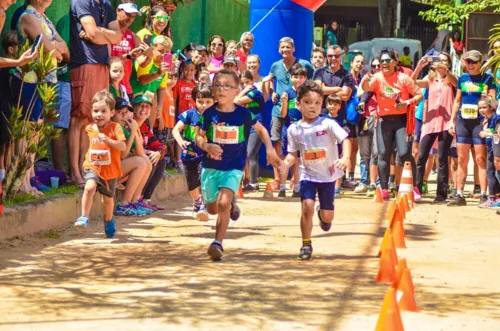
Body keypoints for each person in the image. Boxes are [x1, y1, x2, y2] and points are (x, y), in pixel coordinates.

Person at [195, 69, 281, 261]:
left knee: (223, 203)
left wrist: (269, 149)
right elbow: (198, 135)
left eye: (227, 86)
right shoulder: (208, 114)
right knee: (212, 209)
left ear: (237, 90)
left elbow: (262, 131)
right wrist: (206, 145)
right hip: (211, 167)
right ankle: (230, 202)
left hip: (234, 167)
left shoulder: (244, 114)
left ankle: (217, 243)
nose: (221, 89)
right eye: (217, 85)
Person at [281, 81, 351, 260]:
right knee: (306, 207)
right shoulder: (294, 129)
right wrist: (284, 163)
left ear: (322, 104)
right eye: (307, 102)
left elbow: (346, 139)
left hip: (328, 176)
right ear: (298, 104)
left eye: (317, 103)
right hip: (307, 176)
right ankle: (306, 244)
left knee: (327, 218)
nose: (312, 107)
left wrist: (345, 158)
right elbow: (292, 155)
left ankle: (323, 213)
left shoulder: (327, 123)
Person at [14, 0, 70, 194]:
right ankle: (21, 182)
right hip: (29, 79)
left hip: (45, 79)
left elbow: (64, 49)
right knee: (27, 131)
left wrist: (55, 47)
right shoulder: (28, 16)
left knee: (36, 133)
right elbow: (49, 49)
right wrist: (55, 47)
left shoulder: (44, 17)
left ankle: (30, 179)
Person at [68, 0, 122, 186]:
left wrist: (101, 33)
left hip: (102, 65)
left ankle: (86, 169)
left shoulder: (106, 4)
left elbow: (118, 37)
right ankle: (75, 173)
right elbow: (93, 33)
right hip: (85, 63)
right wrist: (105, 34)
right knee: (80, 119)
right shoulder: (81, 1)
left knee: (93, 120)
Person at [360, 47, 423, 200]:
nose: (384, 64)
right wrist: (365, 79)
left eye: (388, 60)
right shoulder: (377, 77)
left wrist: (406, 103)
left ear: (395, 62)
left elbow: (419, 94)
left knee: (404, 153)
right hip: (384, 121)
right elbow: (366, 88)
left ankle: (413, 188)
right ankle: (384, 188)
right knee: (383, 154)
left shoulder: (404, 78)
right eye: (382, 61)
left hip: (401, 120)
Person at [74, 90, 126, 238]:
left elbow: (122, 146)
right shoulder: (90, 128)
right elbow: (87, 147)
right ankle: (84, 216)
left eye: (103, 111)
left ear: (112, 112)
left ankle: (109, 220)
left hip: (110, 170)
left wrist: (109, 141)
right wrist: (84, 163)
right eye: (96, 111)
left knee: (108, 200)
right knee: (89, 188)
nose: (99, 114)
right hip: (93, 166)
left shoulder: (115, 127)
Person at [448, 50, 497, 206]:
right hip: (463, 122)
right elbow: (457, 101)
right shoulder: (462, 79)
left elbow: (494, 103)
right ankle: (459, 194)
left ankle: (483, 194)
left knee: (480, 159)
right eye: (467, 62)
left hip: (479, 123)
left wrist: (488, 98)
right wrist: (451, 120)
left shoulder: (488, 79)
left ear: (480, 63)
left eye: (473, 62)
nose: (470, 65)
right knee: (461, 159)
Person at [265, 37, 314, 191]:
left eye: (288, 47)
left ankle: (295, 179)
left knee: (297, 149)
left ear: (293, 48)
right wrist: (272, 91)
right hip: (278, 110)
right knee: (277, 144)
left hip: (297, 112)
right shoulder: (275, 65)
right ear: (279, 49)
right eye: (282, 48)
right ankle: (278, 178)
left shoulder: (304, 64)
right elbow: (269, 79)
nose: (285, 50)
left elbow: (311, 79)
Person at [412, 53, 457, 203]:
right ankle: (417, 189)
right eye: (439, 60)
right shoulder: (430, 79)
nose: (441, 63)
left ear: (449, 64)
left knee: (443, 159)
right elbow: (411, 83)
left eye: (444, 61)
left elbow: (457, 83)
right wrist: (419, 66)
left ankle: (441, 194)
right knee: (421, 157)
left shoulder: (451, 80)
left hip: (446, 123)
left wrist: (447, 72)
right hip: (430, 123)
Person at [313, 45, 354, 188]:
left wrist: (327, 90)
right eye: (330, 56)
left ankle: (338, 182)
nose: (333, 59)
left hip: (339, 117)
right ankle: (323, 178)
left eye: (336, 56)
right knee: (321, 147)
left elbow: (346, 94)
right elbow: (318, 90)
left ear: (341, 56)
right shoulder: (319, 72)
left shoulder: (347, 74)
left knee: (339, 150)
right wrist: (337, 89)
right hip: (322, 115)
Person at [172, 83, 213, 221]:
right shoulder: (188, 115)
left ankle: (204, 206)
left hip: (205, 156)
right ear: (194, 100)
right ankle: (197, 202)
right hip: (188, 156)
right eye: (200, 101)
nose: (203, 105)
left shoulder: (215, 117)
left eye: (208, 102)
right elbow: (175, 130)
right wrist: (180, 141)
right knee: (191, 183)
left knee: (204, 180)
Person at [111, 97, 154, 216]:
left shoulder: (123, 128)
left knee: (146, 161)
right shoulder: (114, 126)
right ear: (112, 113)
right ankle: (124, 204)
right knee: (140, 162)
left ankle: (134, 201)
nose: (124, 116)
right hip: (108, 169)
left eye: (125, 112)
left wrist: (134, 132)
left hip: (116, 167)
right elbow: (124, 155)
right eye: (120, 112)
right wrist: (133, 132)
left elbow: (140, 153)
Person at [133, 94, 167, 211]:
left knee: (160, 160)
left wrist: (158, 153)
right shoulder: (129, 123)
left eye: (147, 107)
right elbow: (129, 148)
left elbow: (158, 145)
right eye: (141, 106)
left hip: (141, 160)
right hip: (131, 163)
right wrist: (145, 152)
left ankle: (146, 199)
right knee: (149, 159)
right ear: (134, 108)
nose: (144, 109)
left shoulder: (145, 125)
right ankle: (137, 198)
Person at [112, 1, 151, 101]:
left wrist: (149, 56)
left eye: (133, 16)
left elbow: (142, 63)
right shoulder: (108, 31)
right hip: (109, 85)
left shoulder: (134, 37)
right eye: (128, 14)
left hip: (125, 88)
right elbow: (104, 60)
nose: (130, 19)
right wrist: (128, 56)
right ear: (118, 11)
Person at [279, 64, 307, 198]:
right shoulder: (287, 93)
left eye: (301, 77)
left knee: (298, 161)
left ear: (305, 78)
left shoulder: (307, 93)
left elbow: (310, 114)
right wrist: (284, 102)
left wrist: (302, 108)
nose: (298, 80)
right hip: (289, 128)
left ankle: (297, 188)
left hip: (303, 130)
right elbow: (283, 114)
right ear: (291, 77)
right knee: (287, 158)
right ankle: (282, 188)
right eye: (295, 77)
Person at [234, 70, 265, 191]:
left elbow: (236, 101)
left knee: (250, 153)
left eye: (247, 82)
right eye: (242, 83)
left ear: (252, 81)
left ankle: (253, 182)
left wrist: (245, 90)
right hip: (246, 125)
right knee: (252, 155)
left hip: (256, 125)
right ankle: (252, 180)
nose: (245, 85)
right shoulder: (244, 93)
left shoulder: (255, 93)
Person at [130, 35, 171, 125]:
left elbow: (162, 87)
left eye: (167, 52)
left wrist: (160, 106)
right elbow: (142, 80)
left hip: (146, 105)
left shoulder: (164, 67)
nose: (164, 54)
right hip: (133, 101)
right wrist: (158, 73)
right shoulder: (147, 60)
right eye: (160, 51)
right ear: (153, 49)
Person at [357, 57, 380, 197]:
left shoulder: (385, 80)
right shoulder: (367, 79)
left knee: (376, 152)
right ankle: (364, 181)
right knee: (364, 152)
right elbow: (360, 93)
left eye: (379, 65)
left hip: (379, 119)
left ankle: (376, 182)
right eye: (374, 65)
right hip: (365, 119)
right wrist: (366, 83)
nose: (376, 67)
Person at [52, 13, 71, 172]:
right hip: (64, 79)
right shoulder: (66, 20)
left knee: (75, 127)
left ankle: (74, 169)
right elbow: (63, 50)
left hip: (80, 80)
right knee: (60, 126)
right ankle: (58, 170)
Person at [325, 95, 349, 197]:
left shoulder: (342, 119)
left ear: (339, 106)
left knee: (338, 167)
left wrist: (344, 150)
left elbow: (346, 133)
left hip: (338, 146)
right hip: (327, 147)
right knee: (327, 166)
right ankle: (327, 186)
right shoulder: (323, 119)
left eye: (335, 104)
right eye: (330, 104)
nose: (332, 107)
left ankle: (337, 187)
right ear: (326, 105)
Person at [477, 99, 500, 208]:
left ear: (490, 107)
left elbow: (496, 131)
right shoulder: (486, 119)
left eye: (484, 107)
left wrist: (486, 133)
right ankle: (494, 197)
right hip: (490, 149)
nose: (482, 110)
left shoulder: (496, 117)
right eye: (480, 108)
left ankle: (495, 197)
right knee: (490, 172)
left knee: (493, 173)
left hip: (496, 149)